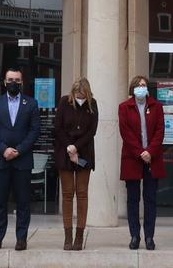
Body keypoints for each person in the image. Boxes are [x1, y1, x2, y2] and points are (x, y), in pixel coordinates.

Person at [0, 67, 40, 252]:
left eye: (16, 80)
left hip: (22, 161)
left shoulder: (31, 104)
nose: (13, 83)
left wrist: (19, 150)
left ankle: (21, 239)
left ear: (21, 82)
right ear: (4, 82)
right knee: (0, 203)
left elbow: (34, 131)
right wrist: (4, 149)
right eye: (10, 80)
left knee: (23, 203)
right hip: (0, 160)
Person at [118, 75, 165, 251]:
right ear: (132, 89)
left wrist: (150, 151)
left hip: (152, 158)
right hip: (132, 158)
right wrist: (140, 152)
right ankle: (135, 236)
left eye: (144, 85)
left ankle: (149, 236)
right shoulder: (124, 107)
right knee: (133, 199)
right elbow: (126, 133)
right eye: (138, 85)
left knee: (150, 199)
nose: (141, 87)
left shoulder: (157, 107)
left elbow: (160, 131)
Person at [53, 77, 98, 251]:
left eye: (82, 95)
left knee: (82, 193)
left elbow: (92, 131)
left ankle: (79, 236)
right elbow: (58, 128)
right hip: (65, 151)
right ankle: (67, 236)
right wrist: (69, 147)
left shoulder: (92, 104)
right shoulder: (64, 102)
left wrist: (76, 148)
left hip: (84, 153)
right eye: (77, 94)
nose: (80, 97)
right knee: (67, 194)